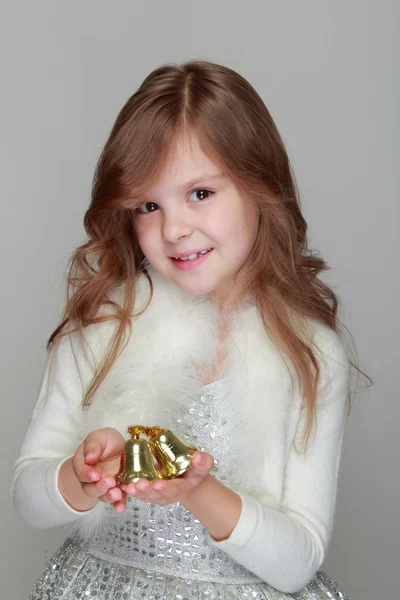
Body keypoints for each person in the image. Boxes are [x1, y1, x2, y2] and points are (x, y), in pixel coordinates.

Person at [11, 59, 367, 599]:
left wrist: (197, 490)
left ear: (259, 186)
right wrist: (79, 478)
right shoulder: (108, 323)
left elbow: (299, 561)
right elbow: (26, 495)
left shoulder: (308, 350)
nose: (174, 229)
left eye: (200, 193)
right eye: (148, 205)